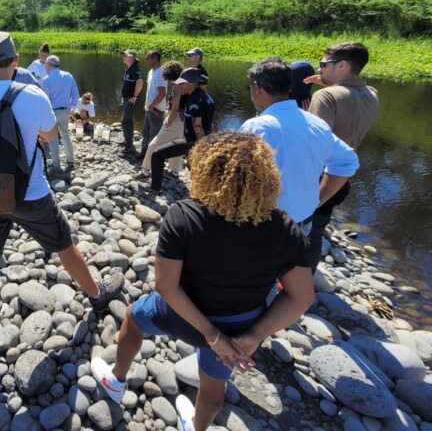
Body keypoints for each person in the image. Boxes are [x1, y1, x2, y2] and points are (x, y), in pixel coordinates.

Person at [91, 132, 314, 431]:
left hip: (182, 318)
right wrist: (254, 335)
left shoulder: (184, 216)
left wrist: (212, 336)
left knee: (133, 318)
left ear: (204, 172)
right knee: (213, 386)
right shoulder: (286, 230)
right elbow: (301, 297)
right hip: (241, 326)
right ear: (267, 177)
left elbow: (166, 287)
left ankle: (117, 380)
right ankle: (196, 427)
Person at [0, 32, 124, 339]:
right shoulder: (32, 95)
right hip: (30, 192)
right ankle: (97, 296)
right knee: (63, 245)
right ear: (16, 61)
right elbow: (48, 134)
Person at [240, 57, 359, 235]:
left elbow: (238, 179)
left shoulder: (256, 127)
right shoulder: (316, 124)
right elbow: (348, 162)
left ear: (256, 87)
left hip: (266, 224)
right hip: (303, 222)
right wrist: (319, 198)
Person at [304, 42, 379, 271]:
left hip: (318, 178)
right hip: (343, 177)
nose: (321, 69)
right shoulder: (372, 94)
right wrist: (328, 81)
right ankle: (309, 277)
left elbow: (314, 145)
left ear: (342, 65)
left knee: (300, 230)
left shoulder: (326, 97)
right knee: (318, 231)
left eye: (324, 64)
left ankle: (292, 286)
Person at [149, 68, 214, 192]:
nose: (181, 86)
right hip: (200, 140)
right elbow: (211, 124)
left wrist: (201, 147)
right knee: (194, 169)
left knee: (157, 154)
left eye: (183, 83)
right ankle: (200, 192)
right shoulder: (206, 97)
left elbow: (197, 126)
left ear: (191, 83)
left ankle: (155, 188)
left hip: (193, 142)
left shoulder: (194, 99)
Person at [137, 61, 184, 180]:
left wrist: (168, 122)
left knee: (155, 144)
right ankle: (174, 172)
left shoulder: (177, 87)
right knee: (176, 144)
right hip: (185, 120)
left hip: (176, 119)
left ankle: (146, 171)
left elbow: (175, 108)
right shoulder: (186, 83)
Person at [40, 55, 80, 171]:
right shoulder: (68, 76)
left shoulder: (46, 80)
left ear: (50, 65)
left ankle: (56, 164)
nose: (45, 67)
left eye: (46, 65)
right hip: (64, 111)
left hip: (52, 112)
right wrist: (70, 107)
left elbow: (44, 99)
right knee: (65, 136)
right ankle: (71, 161)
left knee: (53, 139)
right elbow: (76, 96)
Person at [140, 51, 168, 158]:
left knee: (154, 135)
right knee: (145, 133)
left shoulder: (160, 73)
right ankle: (144, 154)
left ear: (155, 59)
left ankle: (151, 158)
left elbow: (162, 94)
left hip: (156, 110)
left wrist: (151, 106)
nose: (146, 60)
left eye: (148, 58)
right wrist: (147, 105)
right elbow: (150, 91)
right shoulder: (151, 72)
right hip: (149, 109)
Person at [119, 49, 144, 155]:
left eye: (125, 55)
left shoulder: (135, 69)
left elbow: (140, 82)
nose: (123, 57)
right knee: (128, 121)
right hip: (126, 98)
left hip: (130, 99)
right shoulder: (129, 68)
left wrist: (135, 96)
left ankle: (129, 146)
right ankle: (128, 141)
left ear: (131, 58)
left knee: (125, 121)